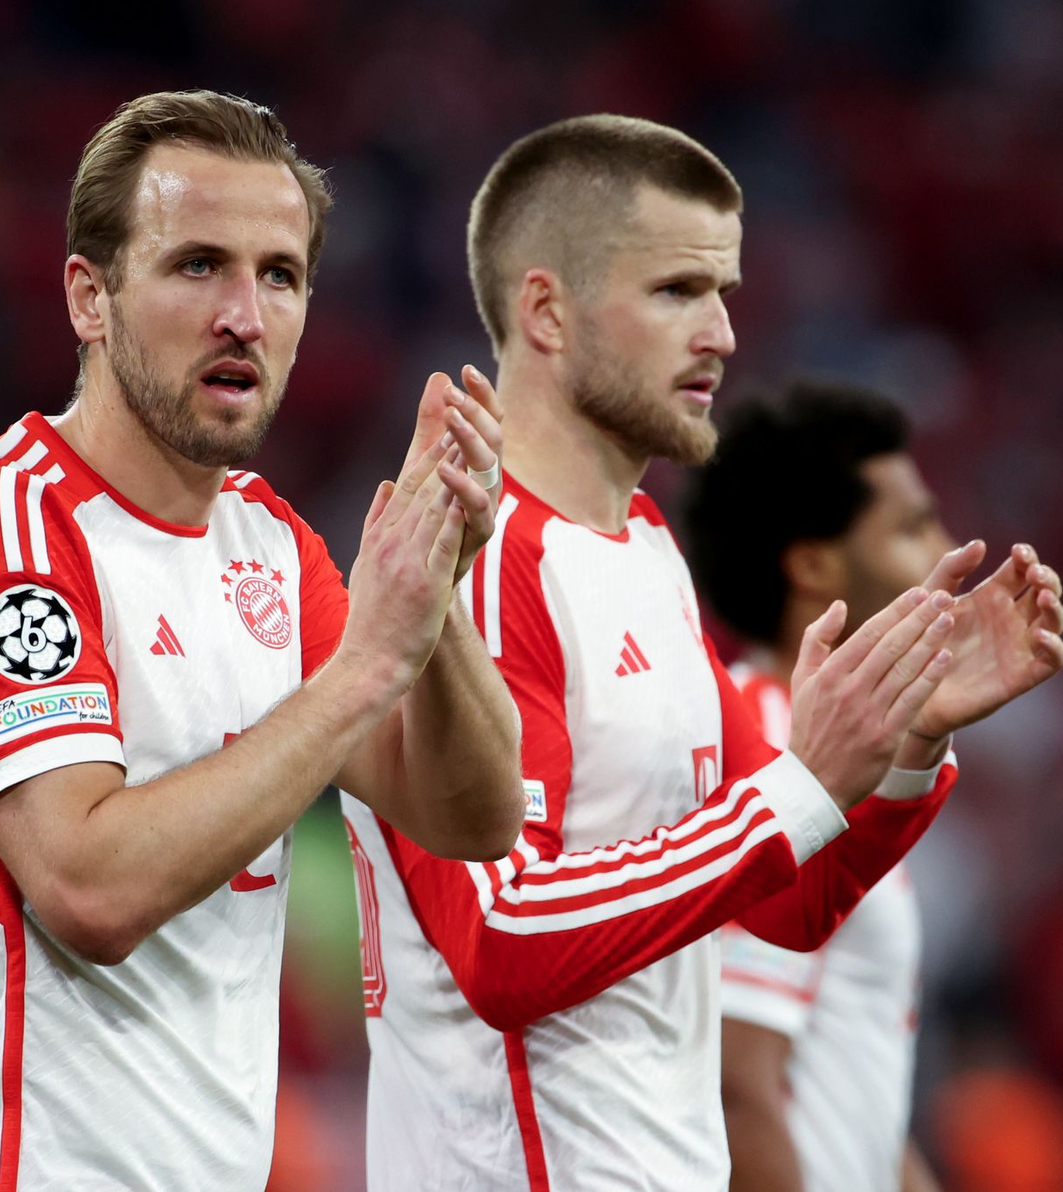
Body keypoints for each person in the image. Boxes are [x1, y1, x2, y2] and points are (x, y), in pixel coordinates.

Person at [339, 115, 1063, 1190]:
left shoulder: (644, 549)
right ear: (546, 310)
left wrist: (906, 738)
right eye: (678, 292)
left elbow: (782, 901)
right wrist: (799, 787)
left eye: (723, 292)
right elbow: (498, 939)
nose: (723, 332)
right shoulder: (475, 564)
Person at [0, 89, 524, 1192]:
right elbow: (88, 888)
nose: (245, 316)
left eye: (280, 274)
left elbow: (475, 812)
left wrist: (434, 600)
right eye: (196, 265)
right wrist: (365, 665)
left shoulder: (268, 542)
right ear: (90, 295)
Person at [682, 382, 953, 1192]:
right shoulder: (767, 754)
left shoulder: (835, 754)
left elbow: (852, 1104)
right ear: (812, 563)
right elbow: (735, 1085)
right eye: (912, 527)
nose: (948, 546)